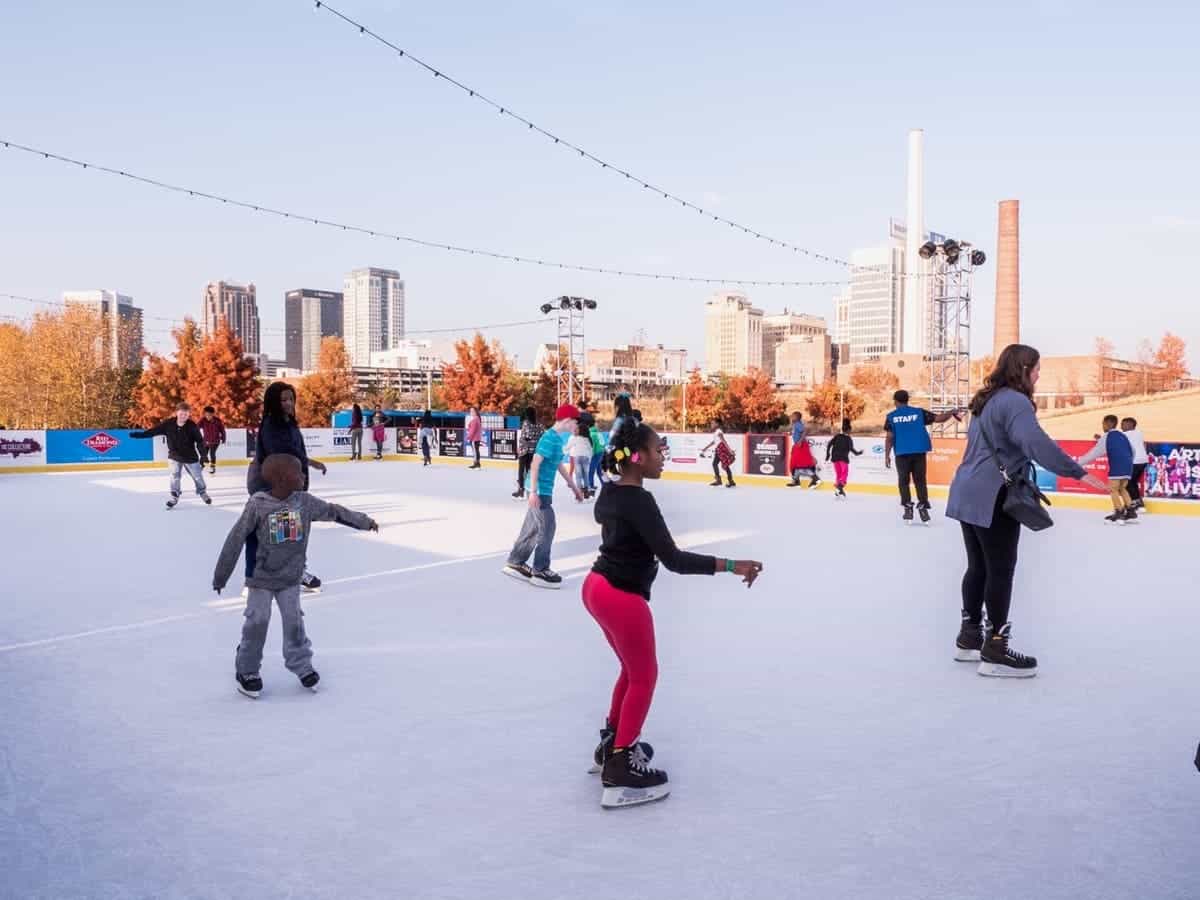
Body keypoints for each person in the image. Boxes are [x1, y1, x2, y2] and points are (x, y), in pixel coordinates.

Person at [584, 418, 763, 808]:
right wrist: (734, 565)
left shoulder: (611, 493)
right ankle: (620, 765)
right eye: (657, 449)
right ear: (636, 457)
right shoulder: (639, 500)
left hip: (596, 587)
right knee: (645, 677)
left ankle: (612, 744)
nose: (663, 454)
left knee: (631, 672)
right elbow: (674, 560)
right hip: (620, 596)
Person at [946, 344, 1108, 677]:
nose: (1038, 374)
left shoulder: (985, 399)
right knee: (1000, 569)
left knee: (978, 566)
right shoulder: (1015, 402)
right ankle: (995, 649)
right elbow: (1036, 443)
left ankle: (969, 638)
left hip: (966, 489)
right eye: (1035, 368)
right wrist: (1079, 472)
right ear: (1022, 369)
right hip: (994, 494)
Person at [213, 454, 378, 699]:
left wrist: (364, 522)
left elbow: (334, 512)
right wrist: (221, 575)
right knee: (257, 622)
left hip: (290, 577)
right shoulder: (258, 505)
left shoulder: (304, 502)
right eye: (299, 473)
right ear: (281, 479)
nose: (304, 476)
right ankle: (246, 669)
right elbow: (236, 538)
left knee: (294, 624)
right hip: (261, 577)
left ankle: (301, 665)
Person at [248, 382, 328, 593]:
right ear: (274, 402)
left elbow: (295, 451)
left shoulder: (288, 423)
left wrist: (310, 463)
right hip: (274, 483)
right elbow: (279, 456)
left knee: (287, 532)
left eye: (291, 399)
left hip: (287, 482)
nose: (289, 403)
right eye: (283, 400)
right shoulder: (272, 425)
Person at [502, 404, 584, 589]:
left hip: (542, 491)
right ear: (567, 420)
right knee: (547, 526)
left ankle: (516, 561)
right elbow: (535, 463)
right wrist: (533, 492)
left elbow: (558, 465)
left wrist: (574, 488)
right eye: (575, 422)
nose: (576, 427)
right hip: (540, 491)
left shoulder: (555, 439)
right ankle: (540, 569)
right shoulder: (549, 438)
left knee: (532, 528)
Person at [885, 390, 964, 524]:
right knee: (920, 480)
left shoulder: (891, 416)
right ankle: (923, 505)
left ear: (895, 401)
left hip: (902, 453)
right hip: (919, 451)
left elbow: (889, 437)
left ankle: (907, 506)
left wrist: (886, 455)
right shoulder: (918, 412)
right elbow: (939, 419)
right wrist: (951, 412)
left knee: (903, 481)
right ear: (907, 400)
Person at [130, 402, 210, 509]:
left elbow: (200, 441)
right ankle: (174, 496)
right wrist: (140, 435)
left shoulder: (192, 426)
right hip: (174, 456)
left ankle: (202, 492)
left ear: (189, 415)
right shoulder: (169, 424)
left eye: (186, 414)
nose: (183, 416)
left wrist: (203, 455)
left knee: (197, 476)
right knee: (175, 476)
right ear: (177, 413)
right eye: (181, 413)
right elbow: (154, 431)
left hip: (190, 457)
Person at [1078, 415, 1137, 524]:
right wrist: (1129, 462)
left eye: (1103, 424)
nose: (1103, 426)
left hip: (1117, 467)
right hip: (1128, 467)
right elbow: (1133, 450)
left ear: (1108, 424)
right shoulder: (1122, 435)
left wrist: (1078, 463)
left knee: (1112, 489)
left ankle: (1119, 512)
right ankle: (1130, 510)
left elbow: (1093, 454)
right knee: (1122, 488)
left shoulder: (1107, 437)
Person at [825, 422, 863, 498]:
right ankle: (840, 486)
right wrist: (858, 453)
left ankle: (839, 490)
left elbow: (829, 444)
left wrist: (828, 454)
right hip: (843, 458)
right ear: (849, 430)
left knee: (838, 474)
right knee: (844, 472)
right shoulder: (848, 438)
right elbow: (851, 449)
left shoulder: (837, 436)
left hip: (835, 458)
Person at [786, 412, 821, 488]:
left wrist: (800, 441)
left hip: (801, 446)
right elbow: (796, 433)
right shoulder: (795, 425)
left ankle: (816, 479)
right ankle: (796, 481)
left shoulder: (798, 424)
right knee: (794, 464)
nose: (791, 417)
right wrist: (789, 433)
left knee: (801, 465)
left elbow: (804, 431)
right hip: (797, 446)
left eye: (793, 416)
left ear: (797, 417)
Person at [513, 407, 542, 498]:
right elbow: (541, 435)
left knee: (521, 470)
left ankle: (521, 489)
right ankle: (530, 489)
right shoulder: (539, 424)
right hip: (533, 450)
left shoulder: (526, 423)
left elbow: (525, 436)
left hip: (525, 449)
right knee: (529, 470)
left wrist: (521, 444)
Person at [1121, 417, 1149, 512]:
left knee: (1127, 484)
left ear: (1131, 425)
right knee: (1132, 483)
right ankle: (1139, 505)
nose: (1121, 426)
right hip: (1143, 461)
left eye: (1124, 424)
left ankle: (1133, 504)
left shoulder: (1125, 434)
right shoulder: (1139, 433)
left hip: (1134, 462)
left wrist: (1099, 438)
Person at [700, 418, 736, 488]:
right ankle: (725, 480)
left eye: (713, 423)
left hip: (721, 450)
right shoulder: (716, 432)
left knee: (724, 465)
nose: (711, 425)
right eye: (711, 423)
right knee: (716, 464)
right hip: (718, 450)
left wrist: (730, 450)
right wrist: (706, 448)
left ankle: (725, 481)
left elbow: (723, 441)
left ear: (717, 424)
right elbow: (714, 442)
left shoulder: (719, 431)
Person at [567, 420, 594, 500]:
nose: (576, 430)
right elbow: (590, 449)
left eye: (578, 429)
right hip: (585, 457)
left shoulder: (575, 438)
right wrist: (590, 457)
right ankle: (586, 494)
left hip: (577, 457)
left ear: (581, 430)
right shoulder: (587, 439)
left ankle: (579, 494)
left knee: (578, 476)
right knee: (585, 475)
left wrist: (561, 451)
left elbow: (568, 447)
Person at [198, 406, 226, 474]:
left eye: (209, 415)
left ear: (212, 414)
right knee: (203, 453)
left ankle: (212, 467)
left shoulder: (217, 421)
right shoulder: (203, 420)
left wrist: (223, 438)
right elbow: (197, 427)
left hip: (215, 441)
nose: (208, 416)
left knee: (212, 453)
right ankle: (201, 465)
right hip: (206, 440)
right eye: (206, 415)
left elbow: (222, 430)